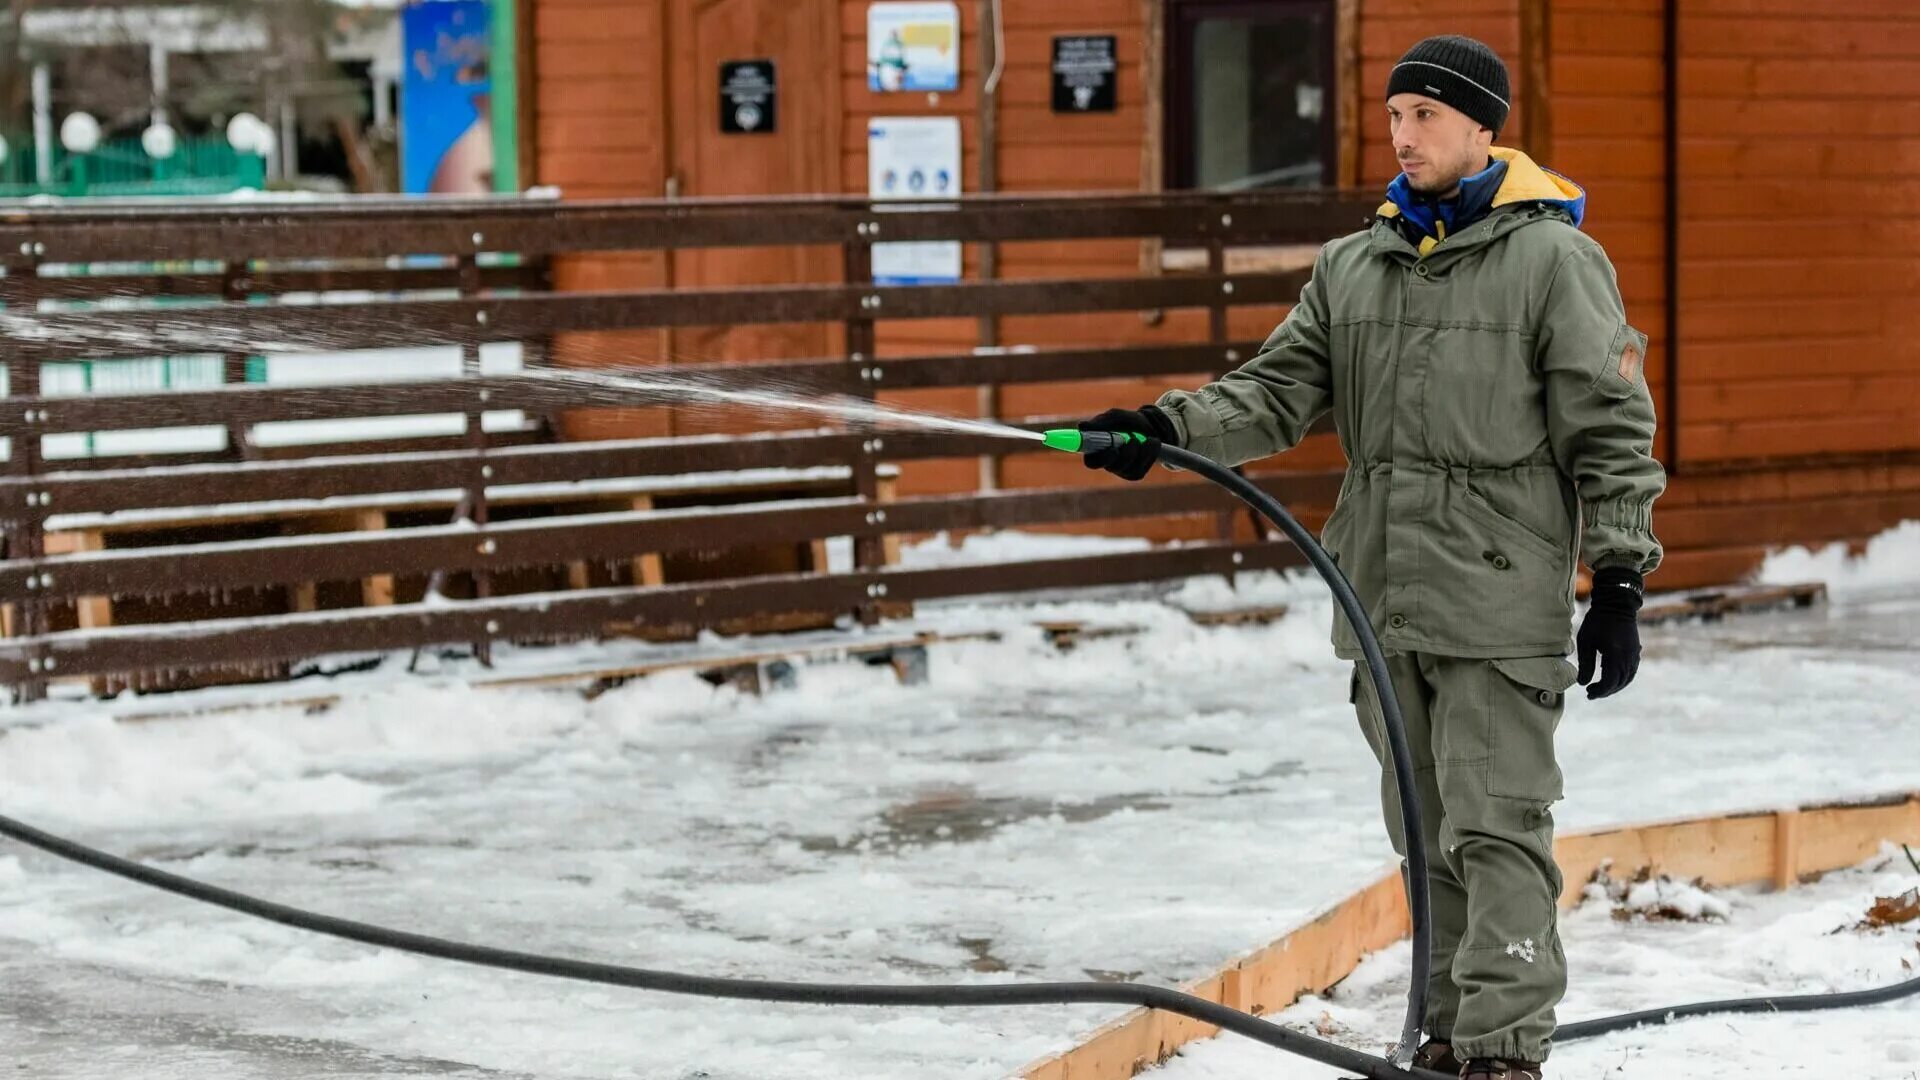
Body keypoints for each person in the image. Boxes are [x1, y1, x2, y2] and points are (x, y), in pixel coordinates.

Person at [1077, 34, 1665, 1080]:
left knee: (1497, 829)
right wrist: (1161, 430)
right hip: (1381, 594)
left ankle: (1503, 1051)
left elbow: (1611, 428)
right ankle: (1445, 1039)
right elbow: (1273, 392)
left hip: (1495, 596)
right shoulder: (1357, 264)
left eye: (1427, 116)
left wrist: (1618, 580)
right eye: (1395, 117)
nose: (1403, 138)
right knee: (1427, 836)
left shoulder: (1554, 262)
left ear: (1486, 126)